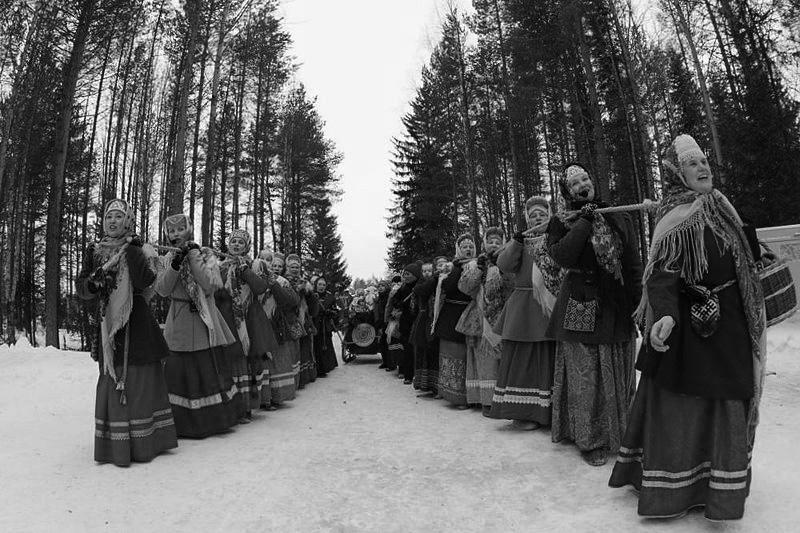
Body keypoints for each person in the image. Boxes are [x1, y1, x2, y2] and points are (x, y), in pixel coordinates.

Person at [609, 135, 767, 521]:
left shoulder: (724, 210)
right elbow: (660, 276)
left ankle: (720, 485)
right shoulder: (675, 218)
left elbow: (747, 260)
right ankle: (676, 489)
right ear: (678, 174)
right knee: (686, 404)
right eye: (693, 164)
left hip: (730, 324)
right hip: (691, 329)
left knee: (729, 399)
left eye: (704, 161)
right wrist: (663, 315)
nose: (703, 168)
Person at [546, 163, 643, 466]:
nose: (582, 185)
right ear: (566, 191)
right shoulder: (561, 221)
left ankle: (625, 431)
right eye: (574, 183)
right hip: (581, 300)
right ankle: (589, 438)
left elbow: (633, 261)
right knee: (585, 372)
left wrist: (639, 302)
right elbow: (562, 255)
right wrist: (584, 221)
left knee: (619, 367)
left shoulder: (616, 214)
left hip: (616, 301)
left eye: (585, 178)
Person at [77, 199, 177, 466]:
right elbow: (82, 288)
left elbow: (146, 281)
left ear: (128, 221)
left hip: (137, 323)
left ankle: (144, 443)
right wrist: (92, 283)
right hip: (107, 323)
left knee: (138, 380)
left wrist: (132, 251)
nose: (112, 221)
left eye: (118, 217)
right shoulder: (95, 250)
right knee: (113, 379)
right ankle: (116, 445)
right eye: (109, 216)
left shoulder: (139, 248)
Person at [155, 213, 238, 438]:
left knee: (204, 370)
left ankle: (210, 421)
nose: (175, 234)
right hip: (179, 320)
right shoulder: (165, 259)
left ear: (189, 231)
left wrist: (192, 255)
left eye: (180, 229)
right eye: (171, 231)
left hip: (203, 321)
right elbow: (162, 289)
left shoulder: (204, 254)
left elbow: (210, 285)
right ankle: (180, 422)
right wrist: (174, 264)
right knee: (179, 371)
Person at [489, 198, 561, 430]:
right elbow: (505, 265)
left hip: (548, 303)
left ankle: (542, 413)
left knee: (544, 358)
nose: (537, 218)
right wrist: (516, 243)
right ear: (526, 219)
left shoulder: (556, 238)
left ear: (550, 215)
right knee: (520, 360)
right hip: (523, 306)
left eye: (541, 214)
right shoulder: (521, 242)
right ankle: (520, 411)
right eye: (533, 215)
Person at [215, 229, 275, 422]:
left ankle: (246, 407)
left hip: (249, 320)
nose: (236, 245)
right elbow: (213, 290)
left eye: (241, 242)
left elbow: (260, 287)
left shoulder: (252, 265)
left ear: (247, 246)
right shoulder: (220, 266)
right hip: (227, 318)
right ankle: (231, 406)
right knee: (230, 360)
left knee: (246, 361)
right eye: (233, 242)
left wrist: (244, 270)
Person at [457, 228, 509, 413]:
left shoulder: (509, 259)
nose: (494, 244)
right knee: (484, 358)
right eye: (490, 241)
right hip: (479, 315)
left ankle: (504, 399)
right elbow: (464, 288)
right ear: (484, 244)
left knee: (503, 358)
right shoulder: (476, 263)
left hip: (503, 314)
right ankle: (486, 400)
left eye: (498, 241)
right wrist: (477, 269)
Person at [433, 234, 476, 409]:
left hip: (470, 313)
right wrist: (457, 268)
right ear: (458, 249)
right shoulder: (451, 267)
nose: (468, 249)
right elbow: (447, 288)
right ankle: (450, 394)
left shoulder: (477, 265)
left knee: (466, 357)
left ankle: (464, 397)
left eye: (471, 246)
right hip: (451, 316)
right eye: (464, 246)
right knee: (451, 355)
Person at [411, 257, 446, 394]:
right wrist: (433, 279)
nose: (426, 273)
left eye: (429, 270)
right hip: (424, 320)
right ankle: (424, 383)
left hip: (435, 319)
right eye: (424, 271)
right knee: (423, 350)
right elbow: (421, 291)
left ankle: (434, 384)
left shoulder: (440, 281)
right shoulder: (422, 284)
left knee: (433, 350)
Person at [285, 254, 319, 387]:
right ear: (287, 267)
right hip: (291, 319)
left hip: (304, 319)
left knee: (305, 348)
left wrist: (309, 293)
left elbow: (312, 307)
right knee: (294, 350)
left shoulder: (305, 282)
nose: (295, 269)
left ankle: (305, 377)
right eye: (292, 266)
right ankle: (296, 379)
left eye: (297, 267)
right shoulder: (284, 281)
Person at [386, 264, 420, 384]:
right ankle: (408, 374)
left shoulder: (420, 286)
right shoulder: (403, 288)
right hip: (406, 321)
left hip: (417, 319)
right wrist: (398, 303)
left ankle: (417, 374)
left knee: (417, 349)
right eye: (404, 274)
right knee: (407, 348)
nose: (405, 276)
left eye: (408, 274)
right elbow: (394, 300)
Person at [313, 276, 340, 377]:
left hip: (326, 325)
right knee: (317, 346)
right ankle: (318, 369)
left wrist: (331, 312)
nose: (321, 286)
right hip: (315, 324)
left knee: (326, 345)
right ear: (316, 285)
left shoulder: (330, 296)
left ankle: (327, 366)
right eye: (319, 284)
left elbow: (336, 310)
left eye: (323, 285)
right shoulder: (312, 295)